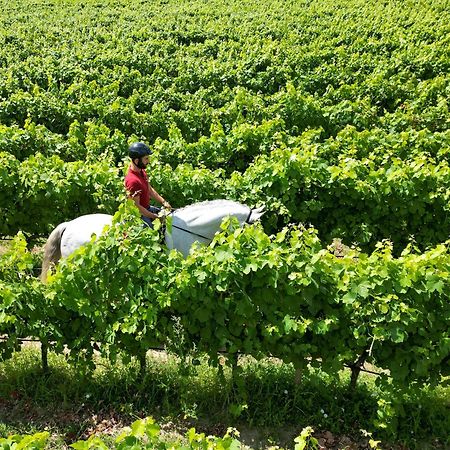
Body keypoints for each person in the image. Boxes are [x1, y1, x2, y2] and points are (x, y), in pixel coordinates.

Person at [124, 142, 172, 228]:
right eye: (146, 159)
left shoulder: (141, 171)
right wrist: (154, 216)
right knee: (154, 234)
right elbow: (137, 207)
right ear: (136, 161)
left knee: (170, 217)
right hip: (140, 215)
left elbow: (149, 189)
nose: (148, 161)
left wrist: (163, 202)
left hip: (147, 208)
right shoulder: (133, 181)